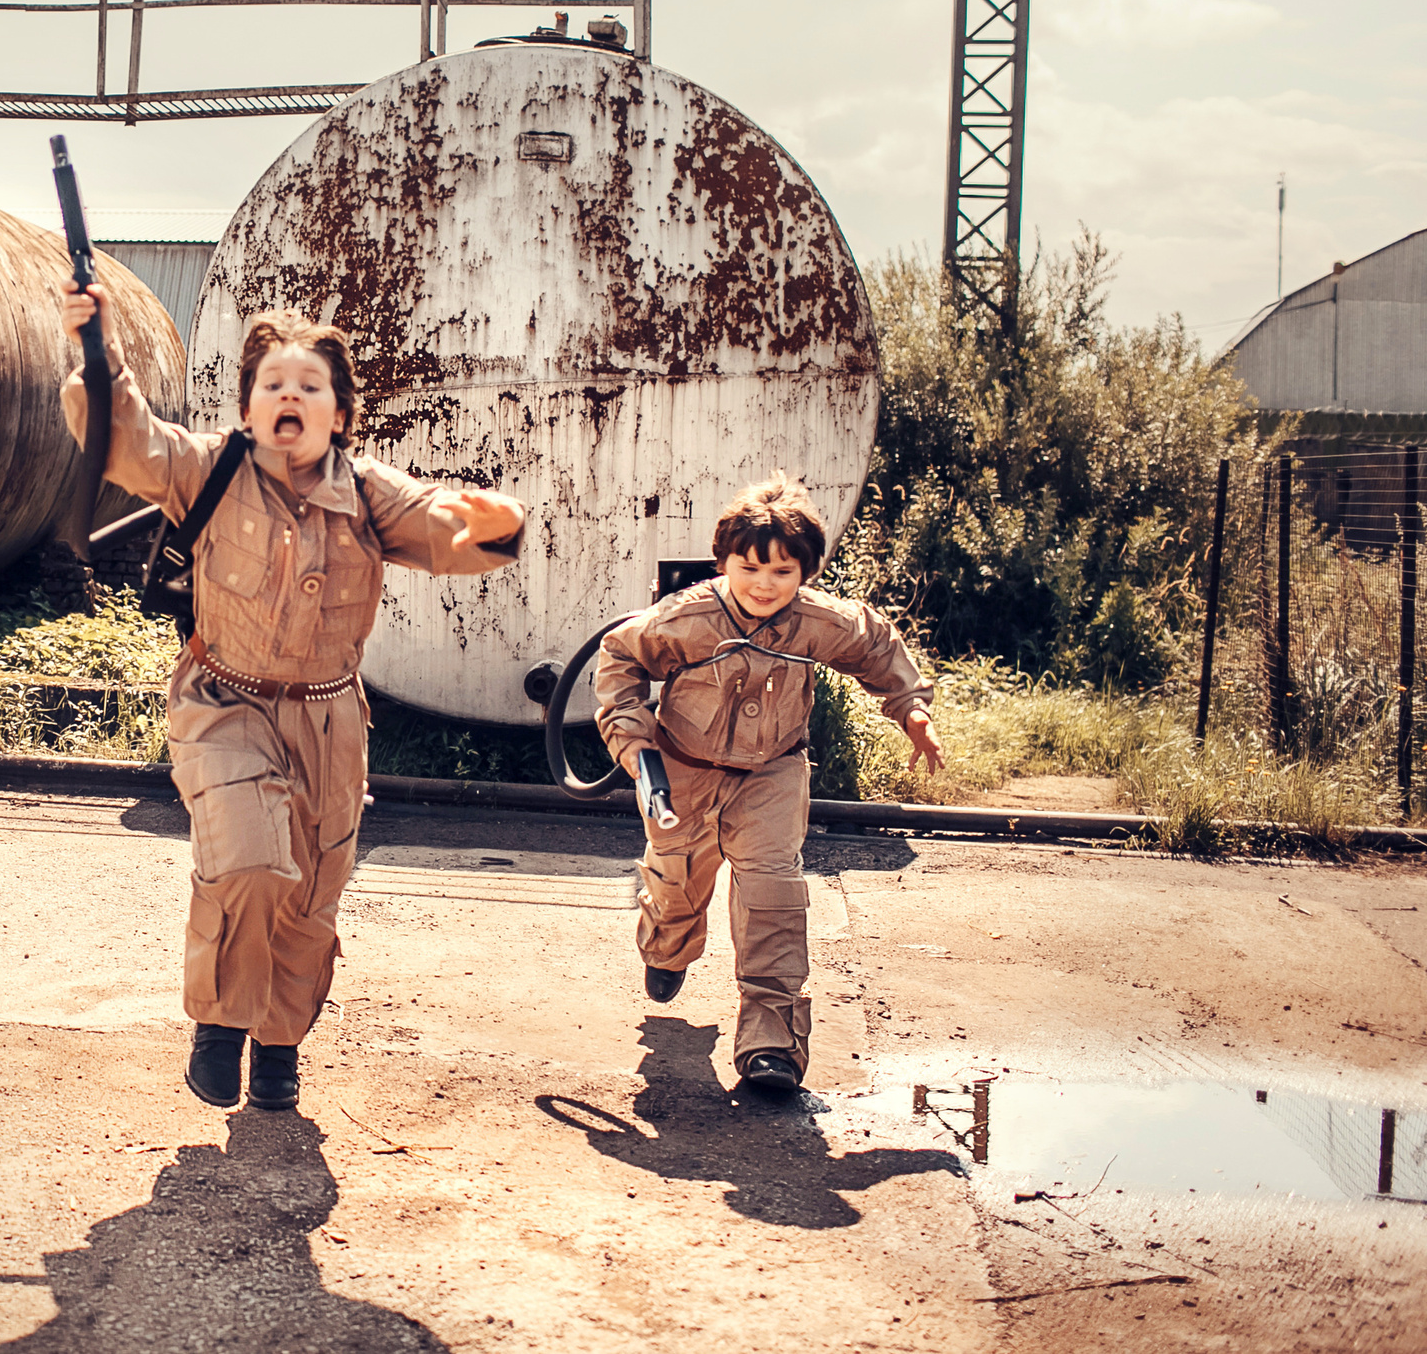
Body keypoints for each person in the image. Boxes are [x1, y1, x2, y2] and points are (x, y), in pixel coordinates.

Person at [58, 285, 526, 1113]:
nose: (289, 398)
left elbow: (447, 530)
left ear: (339, 415)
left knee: (310, 896)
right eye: (272, 384)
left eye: (309, 387)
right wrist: (95, 349)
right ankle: (221, 1023)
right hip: (222, 703)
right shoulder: (206, 468)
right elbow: (122, 440)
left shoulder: (371, 492)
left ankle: (280, 1045)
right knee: (250, 860)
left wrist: (492, 522)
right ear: (245, 409)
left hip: (331, 717)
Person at [593, 473, 942, 1096]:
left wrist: (912, 710)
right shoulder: (689, 619)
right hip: (680, 771)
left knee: (773, 894)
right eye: (749, 567)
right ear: (723, 560)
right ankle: (668, 944)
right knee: (677, 887)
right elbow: (621, 660)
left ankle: (771, 1043)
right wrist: (634, 744)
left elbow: (877, 648)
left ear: (805, 572)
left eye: (783, 572)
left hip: (774, 772)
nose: (764, 584)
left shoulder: (821, 622)